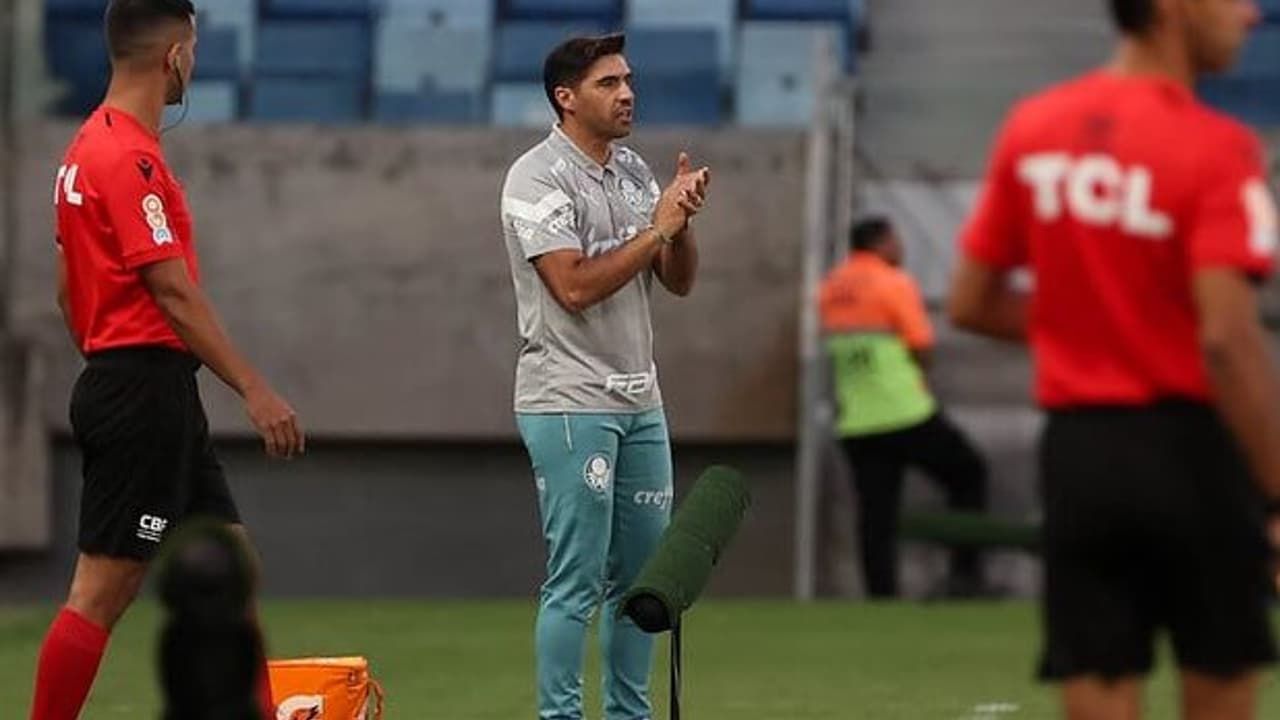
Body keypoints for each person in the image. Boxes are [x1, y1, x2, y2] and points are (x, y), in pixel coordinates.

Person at [948, 0, 1280, 717]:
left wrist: (1092, 328)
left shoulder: (1034, 127)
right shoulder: (1218, 147)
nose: (1251, 16)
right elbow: (1228, 340)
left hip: (1081, 456)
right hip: (1196, 451)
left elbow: (970, 302)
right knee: (1221, 676)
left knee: (1097, 680)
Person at [32, 2, 304, 718]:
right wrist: (254, 387)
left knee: (233, 573)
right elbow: (172, 292)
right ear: (175, 55)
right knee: (100, 592)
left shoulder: (85, 150)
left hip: (141, 385)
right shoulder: (128, 158)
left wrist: (112, 361)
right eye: (194, 49)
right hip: (143, 390)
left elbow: (67, 290)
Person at [499, 32, 709, 720]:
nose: (627, 94)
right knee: (576, 581)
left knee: (642, 585)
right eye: (607, 84)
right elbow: (575, 288)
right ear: (566, 99)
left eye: (628, 81)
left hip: (639, 399)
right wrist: (655, 231)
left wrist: (679, 222)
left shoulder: (633, 171)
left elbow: (676, 282)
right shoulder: (536, 177)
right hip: (568, 400)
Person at [819, 217, 990, 599]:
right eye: (896, 240)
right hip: (904, 412)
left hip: (857, 420)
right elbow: (921, 343)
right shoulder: (893, 282)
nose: (901, 248)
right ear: (881, 243)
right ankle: (965, 576)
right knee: (969, 472)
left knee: (876, 515)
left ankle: (882, 597)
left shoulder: (830, 287)